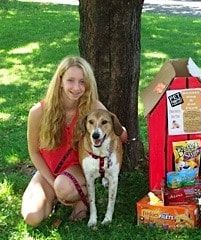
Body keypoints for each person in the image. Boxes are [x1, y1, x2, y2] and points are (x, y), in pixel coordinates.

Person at [21, 56, 128, 227]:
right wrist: (51, 182)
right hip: (49, 171)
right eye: (70, 80)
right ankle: (61, 196)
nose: (77, 88)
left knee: (63, 187)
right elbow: (34, 152)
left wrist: (120, 131)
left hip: (77, 169)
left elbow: (119, 133)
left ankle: (79, 200)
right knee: (32, 218)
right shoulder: (38, 112)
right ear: (60, 80)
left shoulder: (92, 107)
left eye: (82, 82)